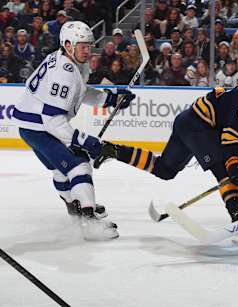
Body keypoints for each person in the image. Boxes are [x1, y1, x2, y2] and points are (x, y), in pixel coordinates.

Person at [95, 60, 238, 243]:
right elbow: (230, 137)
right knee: (225, 171)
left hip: (189, 121)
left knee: (165, 170)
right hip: (199, 126)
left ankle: (113, 150)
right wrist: (236, 166)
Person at [11, 21, 136, 241]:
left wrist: (111, 97)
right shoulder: (64, 72)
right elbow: (53, 121)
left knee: (62, 170)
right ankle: (89, 223)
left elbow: (81, 92)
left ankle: (76, 208)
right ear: (68, 45)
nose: (88, 50)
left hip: (32, 126)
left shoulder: (69, 62)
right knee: (79, 164)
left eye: (89, 45)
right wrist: (87, 141)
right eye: (83, 46)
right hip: (40, 127)